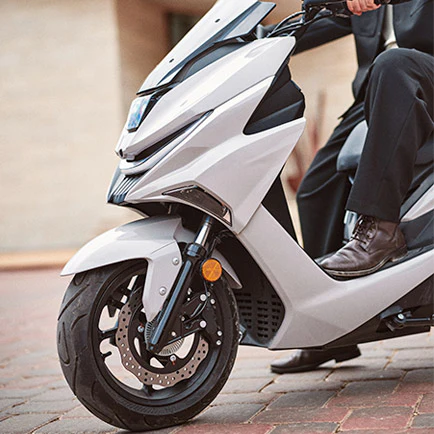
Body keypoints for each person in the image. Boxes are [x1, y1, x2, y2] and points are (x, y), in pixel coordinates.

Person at [270, 0, 434, 373]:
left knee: (393, 65)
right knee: (315, 187)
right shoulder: (367, 7)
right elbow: (318, 20)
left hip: (419, 74)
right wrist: (255, 37)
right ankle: (328, 330)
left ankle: (381, 231)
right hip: (381, 90)